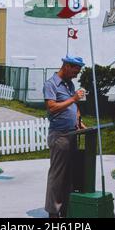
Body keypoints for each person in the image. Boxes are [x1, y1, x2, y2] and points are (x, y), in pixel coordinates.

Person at [44, 55, 86, 219]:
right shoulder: (51, 84)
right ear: (67, 66)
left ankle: (66, 209)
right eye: (76, 71)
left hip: (72, 134)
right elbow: (52, 107)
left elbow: (74, 106)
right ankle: (53, 212)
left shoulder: (69, 84)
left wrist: (78, 120)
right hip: (60, 136)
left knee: (69, 175)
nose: (76, 75)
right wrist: (73, 98)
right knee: (57, 175)